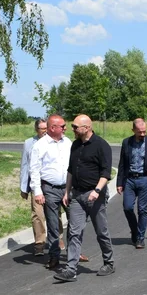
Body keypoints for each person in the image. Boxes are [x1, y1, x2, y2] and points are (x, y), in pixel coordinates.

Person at [54, 114, 115, 282]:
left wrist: (97, 190)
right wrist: (67, 191)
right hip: (77, 195)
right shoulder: (75, 145)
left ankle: (109, 262)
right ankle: (71, 269)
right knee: (74, 231)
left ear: (86, 128)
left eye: (75, 127)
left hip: (95, 195)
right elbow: (71, 170)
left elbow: (106, 172)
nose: (72, 129)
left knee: (101, 231)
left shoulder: (101, 146)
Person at [28, 114, 71, 271]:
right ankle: (54, 257)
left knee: (75, 220)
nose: (65, 128)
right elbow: (34, 170)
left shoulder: (67, 142)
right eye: (63, 126)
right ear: (53, 128)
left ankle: (74, 253)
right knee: (53, 225)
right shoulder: (40, 145)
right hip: (50, 189)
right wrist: (38, 192)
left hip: (67, 188)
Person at [115, 118, 147, 249]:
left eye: (144, 132)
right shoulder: (126, 143)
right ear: (133, 130)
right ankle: (134, 230)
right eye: (140, 132)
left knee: (142, 210)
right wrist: (119, 182)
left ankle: (140, 238)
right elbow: (122, 164)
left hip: (144, 179)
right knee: (128, 207)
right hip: (129, 180)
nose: (142, 134)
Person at [20, 118, 49, 255]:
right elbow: (25, 165)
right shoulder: (29, 143)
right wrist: (23, 187)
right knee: (37, 214)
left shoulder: (54, 142)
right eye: (42, 129)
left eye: (46, 128)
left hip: (51, 183)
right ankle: (39, 243)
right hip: (35, 185)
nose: (44, 131)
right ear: (36, 130)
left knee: (54, 214)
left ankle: (58, 238)